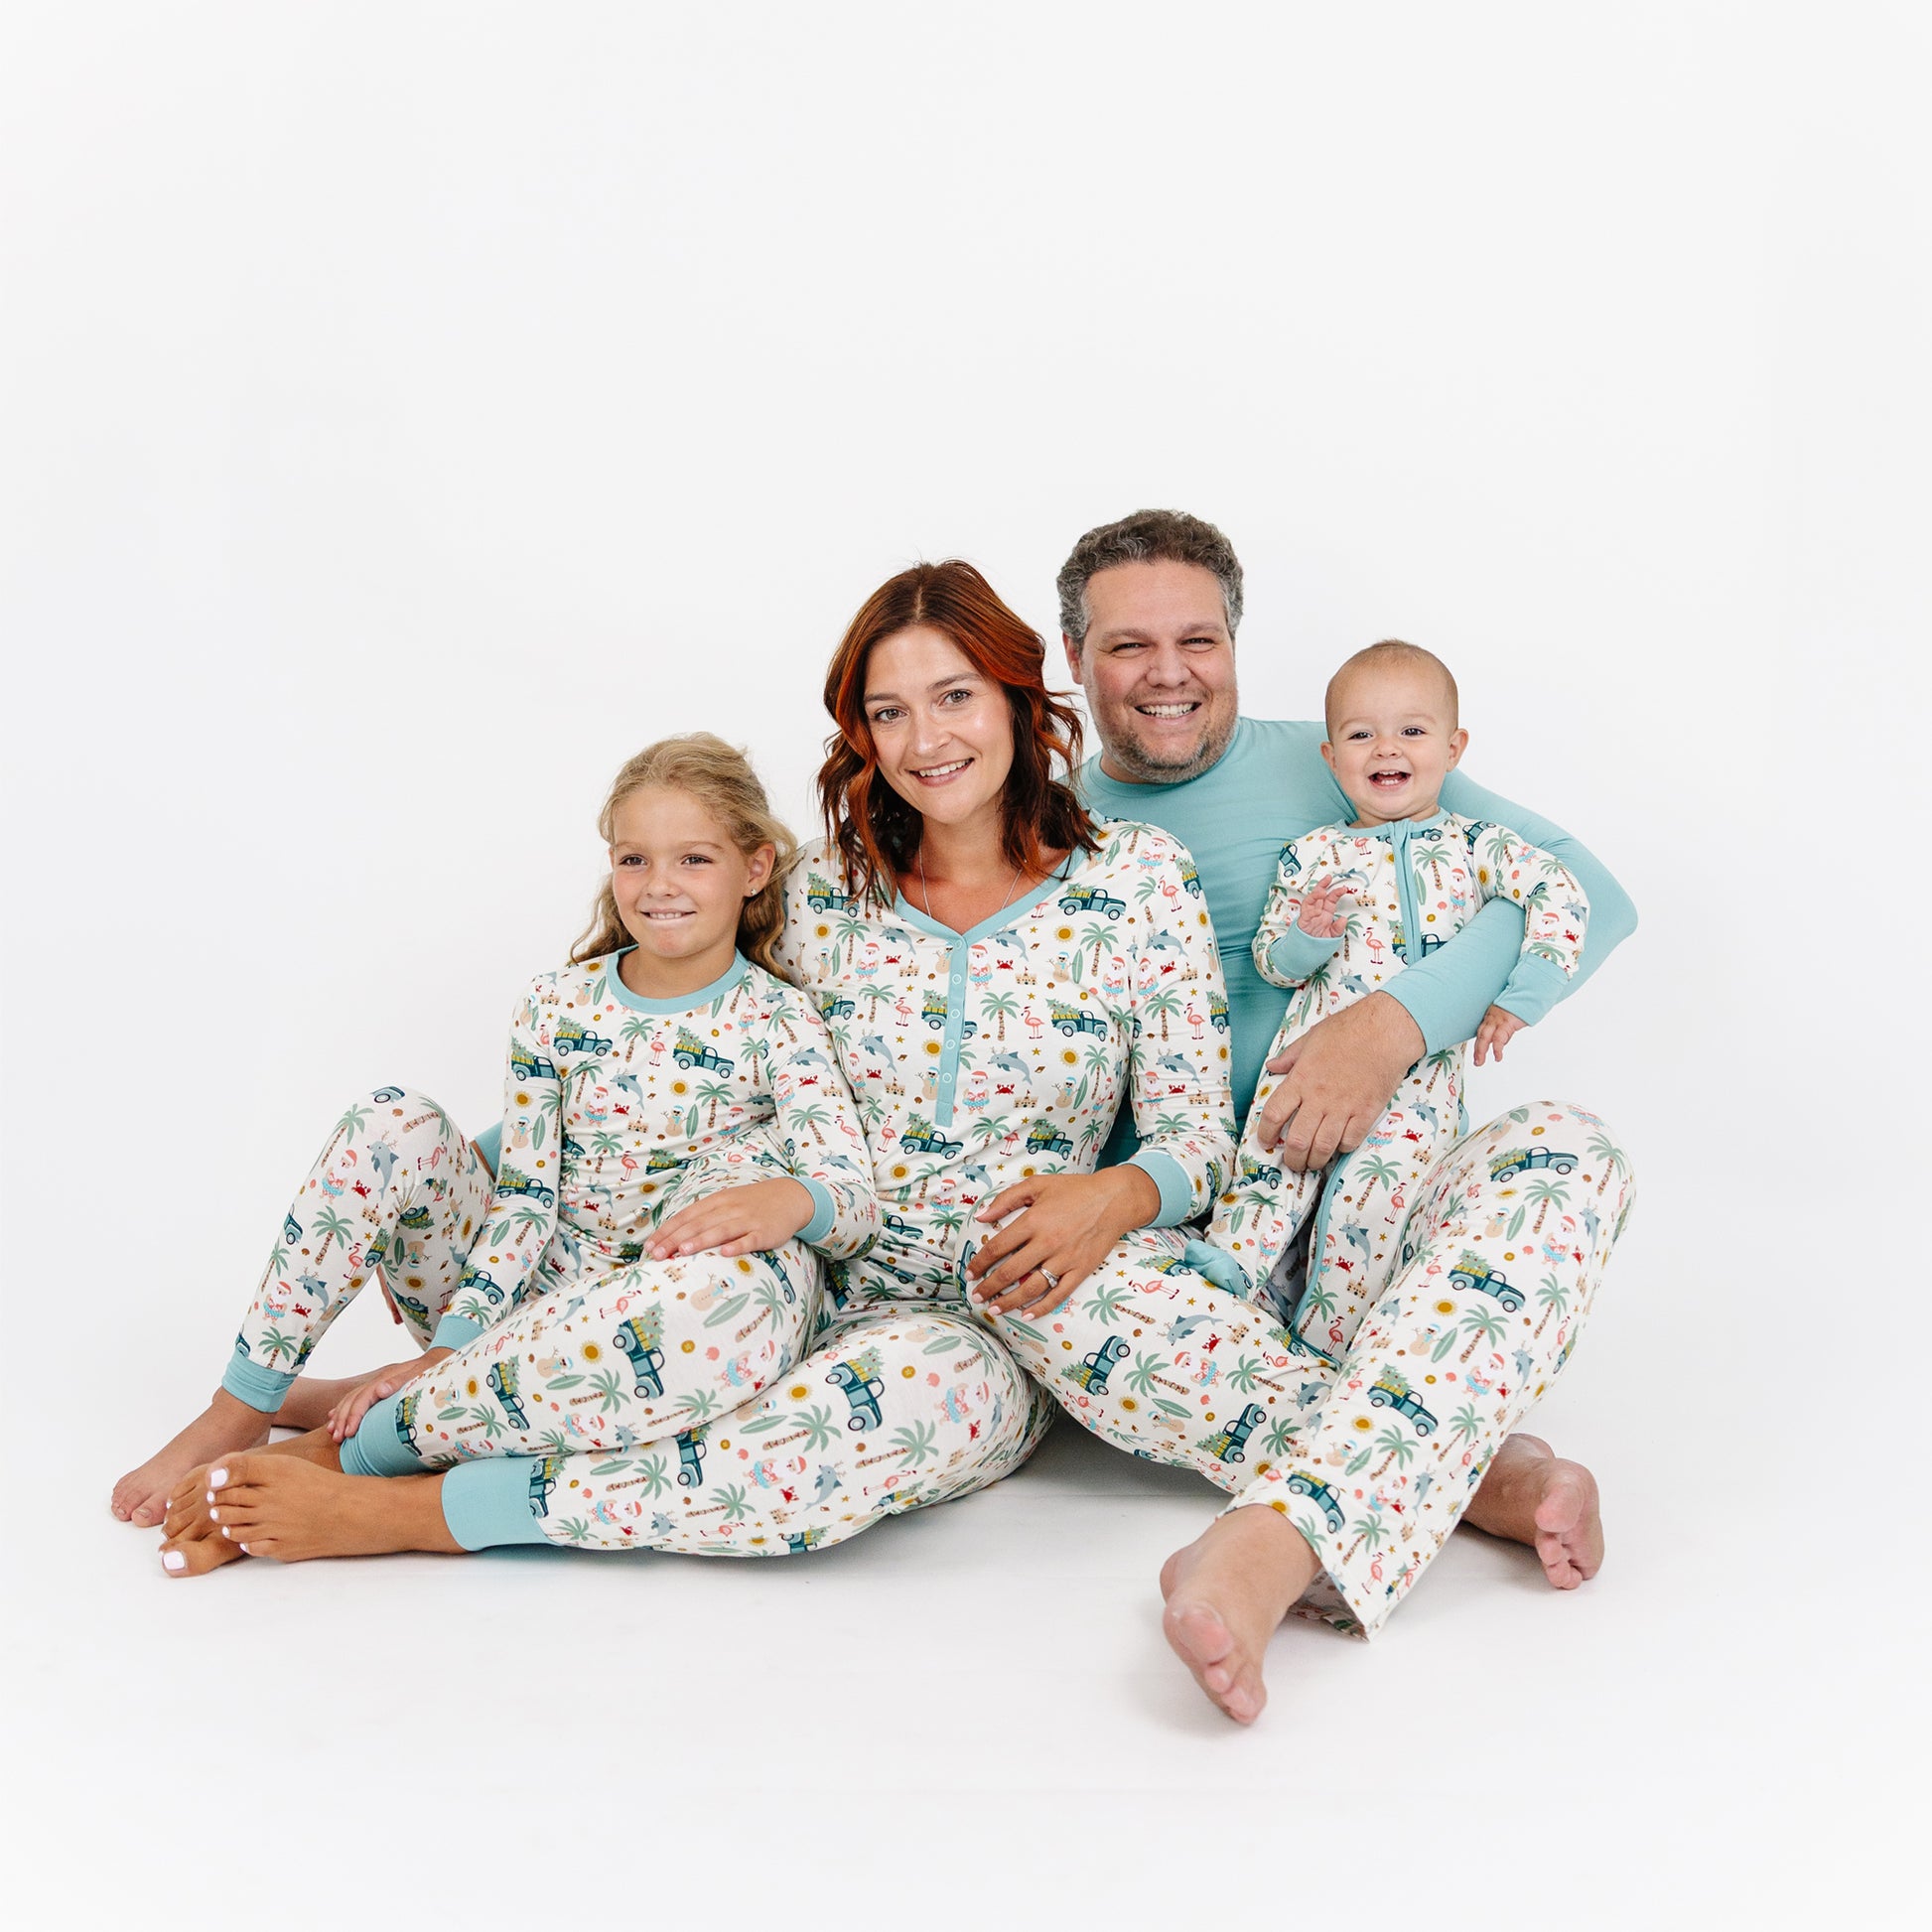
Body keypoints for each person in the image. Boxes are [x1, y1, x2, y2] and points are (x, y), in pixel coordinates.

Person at [163, 561, 1239, 1567]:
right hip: (755, 1275)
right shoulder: (815, 890)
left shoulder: (1138, 880)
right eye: (887, 710)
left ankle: (389, 1480)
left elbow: (1200, 1139)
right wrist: (513, 1174)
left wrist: (1115, 1191)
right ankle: (395, 1405)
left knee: (820, 1448)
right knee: (681, 1324)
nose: (925, 739)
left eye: (954, 696)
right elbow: (657, 1046)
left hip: (969, 1319)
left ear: (1016, 694)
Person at [964, 508, 1636, 1722]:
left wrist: (1389, 1026)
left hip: (1380, 1199)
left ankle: (1266, 1541)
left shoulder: (1342, 754)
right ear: (1072, 657)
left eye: (1196, 639)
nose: (1166, 674)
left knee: (1569, 1151)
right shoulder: (1031, 816)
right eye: (1126, 646)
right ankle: (1469, 1465)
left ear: (1233, 642)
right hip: (1189, 1253)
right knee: (1019, 1269)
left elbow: (1579, 892)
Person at [151, 734, 879, 1573]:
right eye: (635, 859)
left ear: (755, 869)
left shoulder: (780, 1021)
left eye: (695, 859)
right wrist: (451, 1345)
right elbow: (525, 1198)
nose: (661, 885)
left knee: (690, 1325)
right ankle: (248, 1401)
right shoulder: (555, 1005)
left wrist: (789, 1198)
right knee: (396, 1120)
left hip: (650, 1342)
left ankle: (351, 1438)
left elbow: (852, 1206)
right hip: (497, 1312)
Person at [1195, 636, 1592, 1315]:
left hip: (1419, 1081)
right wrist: (1305, 939)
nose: (1386, 748)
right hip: (1310, 1052)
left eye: (1412, 730)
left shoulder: (1477, 845)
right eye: (1361, 734)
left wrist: (1523, 998)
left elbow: (1561, 894)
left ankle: (1334, 1330)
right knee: (1275, 1155)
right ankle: (1232, 1266)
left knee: (1372, 1204)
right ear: (1331, 757)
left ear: (1453, 748)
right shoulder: (1313, 853)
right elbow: (1271, 962)